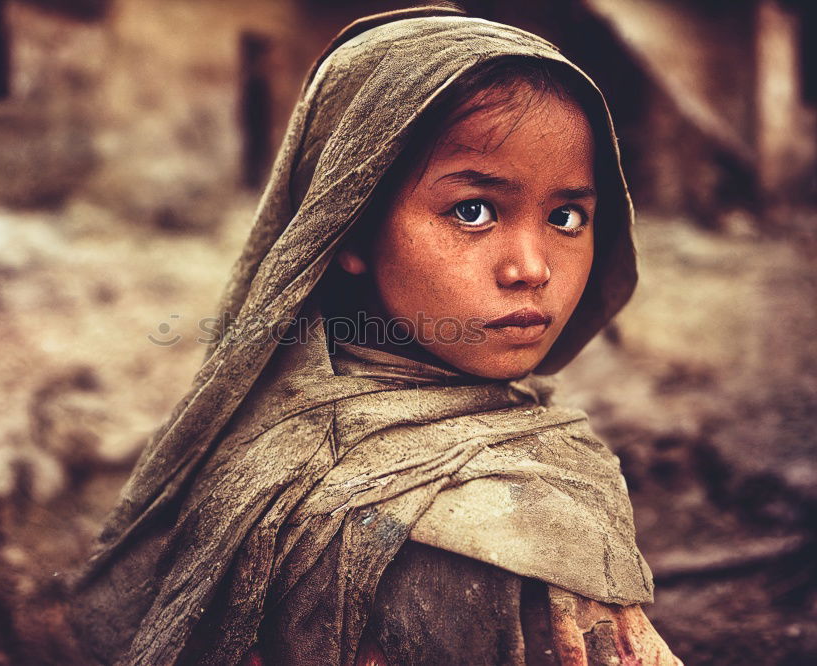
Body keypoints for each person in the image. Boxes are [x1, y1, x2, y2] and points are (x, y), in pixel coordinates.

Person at [70, 6, 683, 665]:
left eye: (567, 216)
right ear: (352, 224)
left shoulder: (546, 441)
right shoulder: (431, 521)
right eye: (473, 211)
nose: (531, 268)